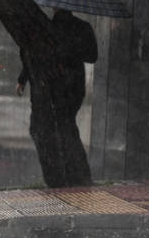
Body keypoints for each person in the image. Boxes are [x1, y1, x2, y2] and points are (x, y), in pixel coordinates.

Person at [15, 8, 98, 141]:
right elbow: (92, 56)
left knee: (40, 129)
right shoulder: (83, 27)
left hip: (51, 86)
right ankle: (68, 159)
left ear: (55, 7)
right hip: (74, 88)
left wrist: (22, 79)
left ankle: (57, 159)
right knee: (66, 127)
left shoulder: (47, 28)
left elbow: (34, 54)